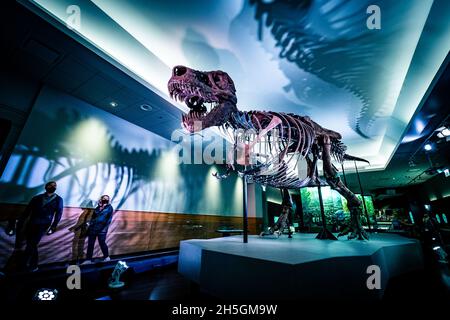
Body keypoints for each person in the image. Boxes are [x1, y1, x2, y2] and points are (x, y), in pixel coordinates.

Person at [15, 181, 63, 272]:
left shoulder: (58, 199)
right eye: (50, 185)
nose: (53, 186)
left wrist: (53, 227)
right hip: (31, 223)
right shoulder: (36, 198)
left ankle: (24, 265)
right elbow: (27, 210)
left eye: (54, 186)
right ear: (46, 187)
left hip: (43, 225)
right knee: (31, 244)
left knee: (32, 244)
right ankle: (33, 265)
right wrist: (21, 221)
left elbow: (59, 214)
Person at [82, 195, 113, 264]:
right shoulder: (97, 207)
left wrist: (104, 229)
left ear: (108, 200)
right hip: (93, 228)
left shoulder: (109, 208)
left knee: (102, 243)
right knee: (90, 244)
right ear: (101, 199)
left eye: (106, 199)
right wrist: (99, 206)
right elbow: (94, 217)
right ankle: (88, 260)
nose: (105, 200)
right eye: (104, 198)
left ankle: (106, 257)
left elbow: (109, 220)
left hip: (102, 230)